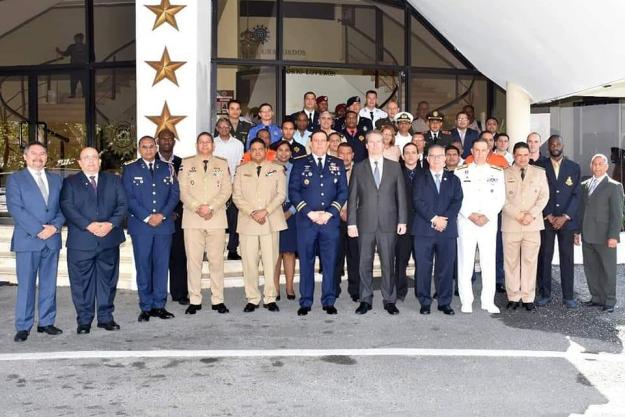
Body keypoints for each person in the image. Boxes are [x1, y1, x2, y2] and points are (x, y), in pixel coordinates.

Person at [61, 147, 128, 334]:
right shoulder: (70, 182)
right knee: (81, 283)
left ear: (100, 161)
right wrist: (89, 225)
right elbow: (67, 207)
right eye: (86, 158)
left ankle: (106, 318)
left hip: (109, 240)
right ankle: (84, 320)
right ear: (79, 162)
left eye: (94, 157)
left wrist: (110, 224)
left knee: (107, 281)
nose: (91, 161)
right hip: (81, 242)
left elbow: (123, 205)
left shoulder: (114, 180)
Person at [7, 143, 65, 342]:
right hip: (28, 240)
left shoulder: (57, 180)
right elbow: (16, 209)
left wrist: (54, 227)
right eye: (34, 153)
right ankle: (23, 326)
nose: (38, 157)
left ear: (47, 157)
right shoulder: (15, 180)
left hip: (52, 239)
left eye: (42, 154)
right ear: (25, 157)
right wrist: (39, 230)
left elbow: (62, 208)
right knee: (26, 285)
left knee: (49, 284)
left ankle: (46, 322)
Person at [289, 131, 348, 316]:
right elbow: (293, 192)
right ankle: (305, 301)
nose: (320, 144)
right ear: (311, 143)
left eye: (323, 141)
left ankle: (328, 300)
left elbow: (343, 192)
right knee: (306, 262)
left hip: (329, 223)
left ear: (329, 143)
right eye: (316, 141)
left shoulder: (337, 164)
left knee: (330, 262)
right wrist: (310, 213)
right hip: (307, 222)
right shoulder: (299, 163)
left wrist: (330, 213)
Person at [348, 131, 407, 315]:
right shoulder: (358, 167)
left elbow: (401, 196)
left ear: (384, 144)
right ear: (366, 146)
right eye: (371, 143)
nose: (374, 145)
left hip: (389, 224)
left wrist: (402, 220)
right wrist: (351, 223)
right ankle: (365, 299)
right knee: (364, 263)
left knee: (389, 263)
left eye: (378, 142)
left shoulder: (395, 167)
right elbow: (352, 198)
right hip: (364, 224)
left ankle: (389, 299)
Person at [122, 136, 179, 322]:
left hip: (163, 226)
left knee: (162, 267)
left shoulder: (168, 168)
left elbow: (174, 194)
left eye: (151, 147)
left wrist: (161, 215)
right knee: (143, 266)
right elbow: (128, 198)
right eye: (144, 147)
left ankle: (159, 306)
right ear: (139, 149)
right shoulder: (130, 169)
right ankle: (145, 307)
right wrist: (147, 217)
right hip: (141, 227)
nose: (148, 150)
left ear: (156, 148)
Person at [179, 132, 232, 315]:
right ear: (196, 145)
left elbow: (227, 190)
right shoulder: (186, 164)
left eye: (208, 142)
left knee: (216, 262)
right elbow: (183, 191)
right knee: (193, 262)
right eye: (201, 142)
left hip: (216, 218)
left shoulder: (222, 163)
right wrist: (198, 208)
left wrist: (210, 208)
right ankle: (195, 299)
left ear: (213, 145)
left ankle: (218, 300)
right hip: (193, 219)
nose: (204, 145)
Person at [233, 138, 286, 313]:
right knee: (249, 262)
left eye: (260, 149)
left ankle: (270, 297)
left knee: (271, 261)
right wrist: (253, 213)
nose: (257, 152)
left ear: (266, 150)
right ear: (249, 151)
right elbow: (237, 196)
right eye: (253, 149)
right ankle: (253, 298)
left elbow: (281, 195)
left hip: (270, 220)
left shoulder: (277, 169)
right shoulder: (241, 170)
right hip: (248, 221)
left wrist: (265, 211)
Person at [455, 139, 505, 314]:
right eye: (476, 150)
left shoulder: (497, 172)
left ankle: (488, 301)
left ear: (488, 151)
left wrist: (487, 216)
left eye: (483, 150)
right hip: (466, 221)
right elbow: (457, 197)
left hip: (488, 223)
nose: (479, 153)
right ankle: (466, 300)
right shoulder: (461, 171)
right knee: (465, 262)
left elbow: (500, 198)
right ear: (471, 151)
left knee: (488, 262)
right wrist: (469, 214)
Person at [413, 144, 463, 315]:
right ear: (427, 159)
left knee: (446, 268)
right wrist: (434, 219)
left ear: (445, 159)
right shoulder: (419, 178)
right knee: (423, 268)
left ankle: (444, 302)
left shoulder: (454, 180)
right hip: (424, 230)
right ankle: (424, 302)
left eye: (439, 156)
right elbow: (418, 201)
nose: (436, 159)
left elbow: (457, 201)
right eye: (432, 156)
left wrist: (444, 220)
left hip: (446, 231)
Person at [502, 142, 549, 311]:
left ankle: (528, 297)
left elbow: (544, 197)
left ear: (530, 155)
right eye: (519, 155)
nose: (522, 158)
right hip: (511, 224)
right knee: (511, 262)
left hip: (532, 224)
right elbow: (502, 199)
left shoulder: (539, 173)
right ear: (514, 155)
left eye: (525, 154)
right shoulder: (504, 173)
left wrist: (531, 215)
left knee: (530, 261)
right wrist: (519, 215)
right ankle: (513, 296)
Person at [536, 135, 581, 308]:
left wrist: (565, 216)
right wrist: (548, 214)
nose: (555, 146)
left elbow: (577, 195)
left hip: (567, 221)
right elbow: (538, 192)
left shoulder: (574, 167)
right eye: (552, 144)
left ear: (563, 145)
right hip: (547, 219)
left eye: (558, 144)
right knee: (545, 257)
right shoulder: (540, 166)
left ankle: (568, 296)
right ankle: (545, 294)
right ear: (548, 147)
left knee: (567, 258)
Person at [575, 154, 624, 313]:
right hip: (587, 235)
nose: (596, 167)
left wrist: (613, 236)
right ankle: (596, 298)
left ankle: (609, 301)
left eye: (600, 164)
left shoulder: (614, 186)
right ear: (591, 166)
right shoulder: (584, 185)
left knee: (608, 269)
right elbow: (580, 211)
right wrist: (577, 232)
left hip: (605, 237)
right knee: (591, 268)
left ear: (606, 167)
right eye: (594, 164)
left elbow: (617, 214)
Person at [156, 129, 188, 305]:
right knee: (158, 258)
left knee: (179, 256)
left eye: (170, 138)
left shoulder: (182, 163)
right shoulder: (150, 162)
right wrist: (162, 214)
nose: (167, 141)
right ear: (158, 141)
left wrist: (176, 212)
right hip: (157, 218)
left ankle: (180, 293)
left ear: (174, 142)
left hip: (178, 217)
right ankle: (157, 295)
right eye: (163, 138)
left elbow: (185, 190)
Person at [214, 117, 245, 261]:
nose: (224, 129)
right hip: (215, 188)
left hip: (233, 184)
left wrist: (236, 185)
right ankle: (215, 250)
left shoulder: (238, 144)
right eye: (221, 126)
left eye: (227, 127)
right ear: (216, 128)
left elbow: (240, 165)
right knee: (216, 220)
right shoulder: (212, 143)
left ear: (230, 128)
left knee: (235, 219)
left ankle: (232, 249)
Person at [395, 142, 421, 301]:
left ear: (418, 155)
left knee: (422, 262)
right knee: (401, 260)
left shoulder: (426, 174)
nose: (410, 155)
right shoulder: (395, 173)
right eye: (407, 153)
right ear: (403, 156)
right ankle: (400, 291)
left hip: (421, 225)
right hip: (401, 225)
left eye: (413, 152)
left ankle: (421, 290)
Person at [273, 141, 298, 301]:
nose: (283, 153)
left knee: (289, 252)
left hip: (291, 211)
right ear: (275, 152)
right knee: (274, 253)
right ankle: (274, 288)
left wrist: (291, 211)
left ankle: (289, 286)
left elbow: (302, 191)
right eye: (280, 150)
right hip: (273, 210)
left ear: (290, 153)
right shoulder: (269, 168)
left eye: (286, 150)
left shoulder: (296, 169)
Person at [335, 142, 360, 302]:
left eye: (348, 153)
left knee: (354, 256)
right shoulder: (331, 170)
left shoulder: (361, 170)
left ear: (353, 155)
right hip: (335, 219)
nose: (344, 156)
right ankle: (334, 288)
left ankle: (355, 289)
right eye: (341, 153)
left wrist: (350, 211)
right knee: (335, 256)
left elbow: (364, 194)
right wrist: (339, 210)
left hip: (355, 219)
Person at [56, 33, 88, 97]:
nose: (75, 40)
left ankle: (84, 95)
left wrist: (59, 51)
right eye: (75, 39)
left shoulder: (85, 47)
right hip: (76, 67)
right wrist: (59, 51)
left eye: (77, 39)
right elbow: (66, 53)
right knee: (74, 82)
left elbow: (66, 54)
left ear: (81, 39)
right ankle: (74, 94)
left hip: (82, 67)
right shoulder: (73, 47)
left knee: (83, 82)